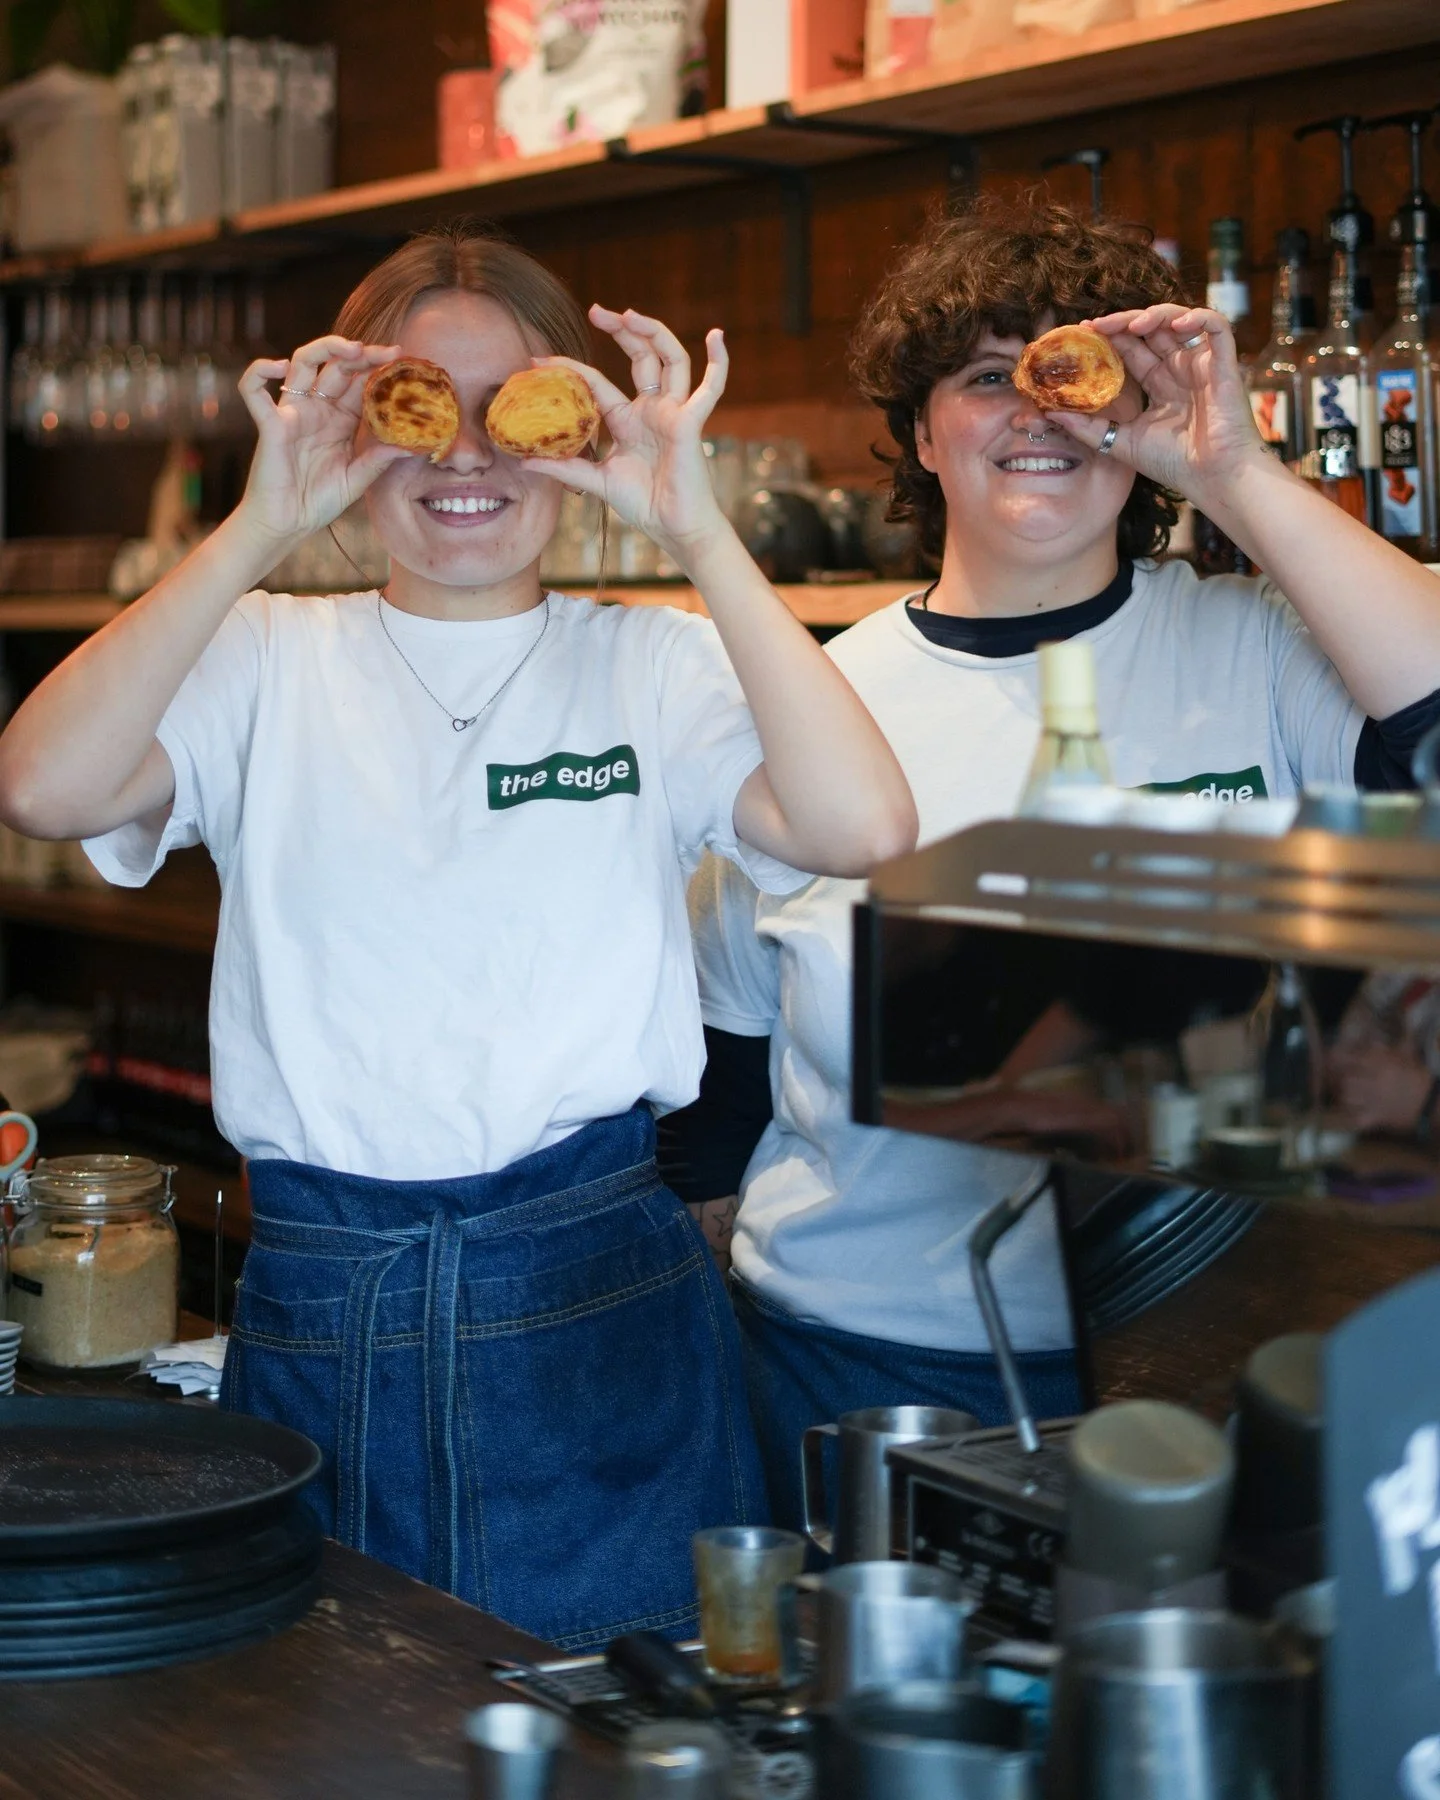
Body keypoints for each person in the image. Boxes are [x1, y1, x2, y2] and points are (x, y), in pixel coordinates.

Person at [0, 225, 916, 1648]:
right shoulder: (261, 654)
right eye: (419, 414)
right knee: (341, 1739)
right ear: (355, 436)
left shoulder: (650, 662)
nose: (469, 459)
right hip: (328, 1301)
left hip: (599, 1303)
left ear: (575, 436)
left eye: (516, 416)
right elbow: (41, 784)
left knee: (634, 1739)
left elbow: (864, 827)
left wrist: (694, 523)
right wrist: (260, 523)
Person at [665, 196, 1440, 1534]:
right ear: (920, 432)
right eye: (984, 379)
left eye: (1077, 379)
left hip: (1207, 1351)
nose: (1036, 413)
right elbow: (719, 1112)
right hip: (860, 1362)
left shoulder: (1255, 646)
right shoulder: (808, 710)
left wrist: (1231, 470)